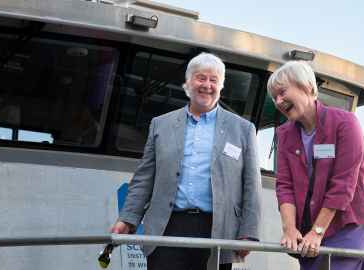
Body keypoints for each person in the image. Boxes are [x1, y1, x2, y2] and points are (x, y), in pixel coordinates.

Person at [110, 52, 262, 270]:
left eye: (214, 80)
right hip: (168, 225)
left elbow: (251, 185)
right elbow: (144, 178)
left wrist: (249, 232)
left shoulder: (243, 129)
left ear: (221, 86)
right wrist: (127, 218)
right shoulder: (160, 124)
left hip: (219, 228)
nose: (207, 85)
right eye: (201, 78)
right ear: (188, 83)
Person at [267, 61, 364, 269]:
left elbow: (343, 185)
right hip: (309, 224)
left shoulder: (346, 123)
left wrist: (317, 232)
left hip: (348, 223)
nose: (278, 101)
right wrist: (289, 228)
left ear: (307, 87)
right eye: (274, 97)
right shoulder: (284, 134)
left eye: (282, 92)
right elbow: (285, 186)